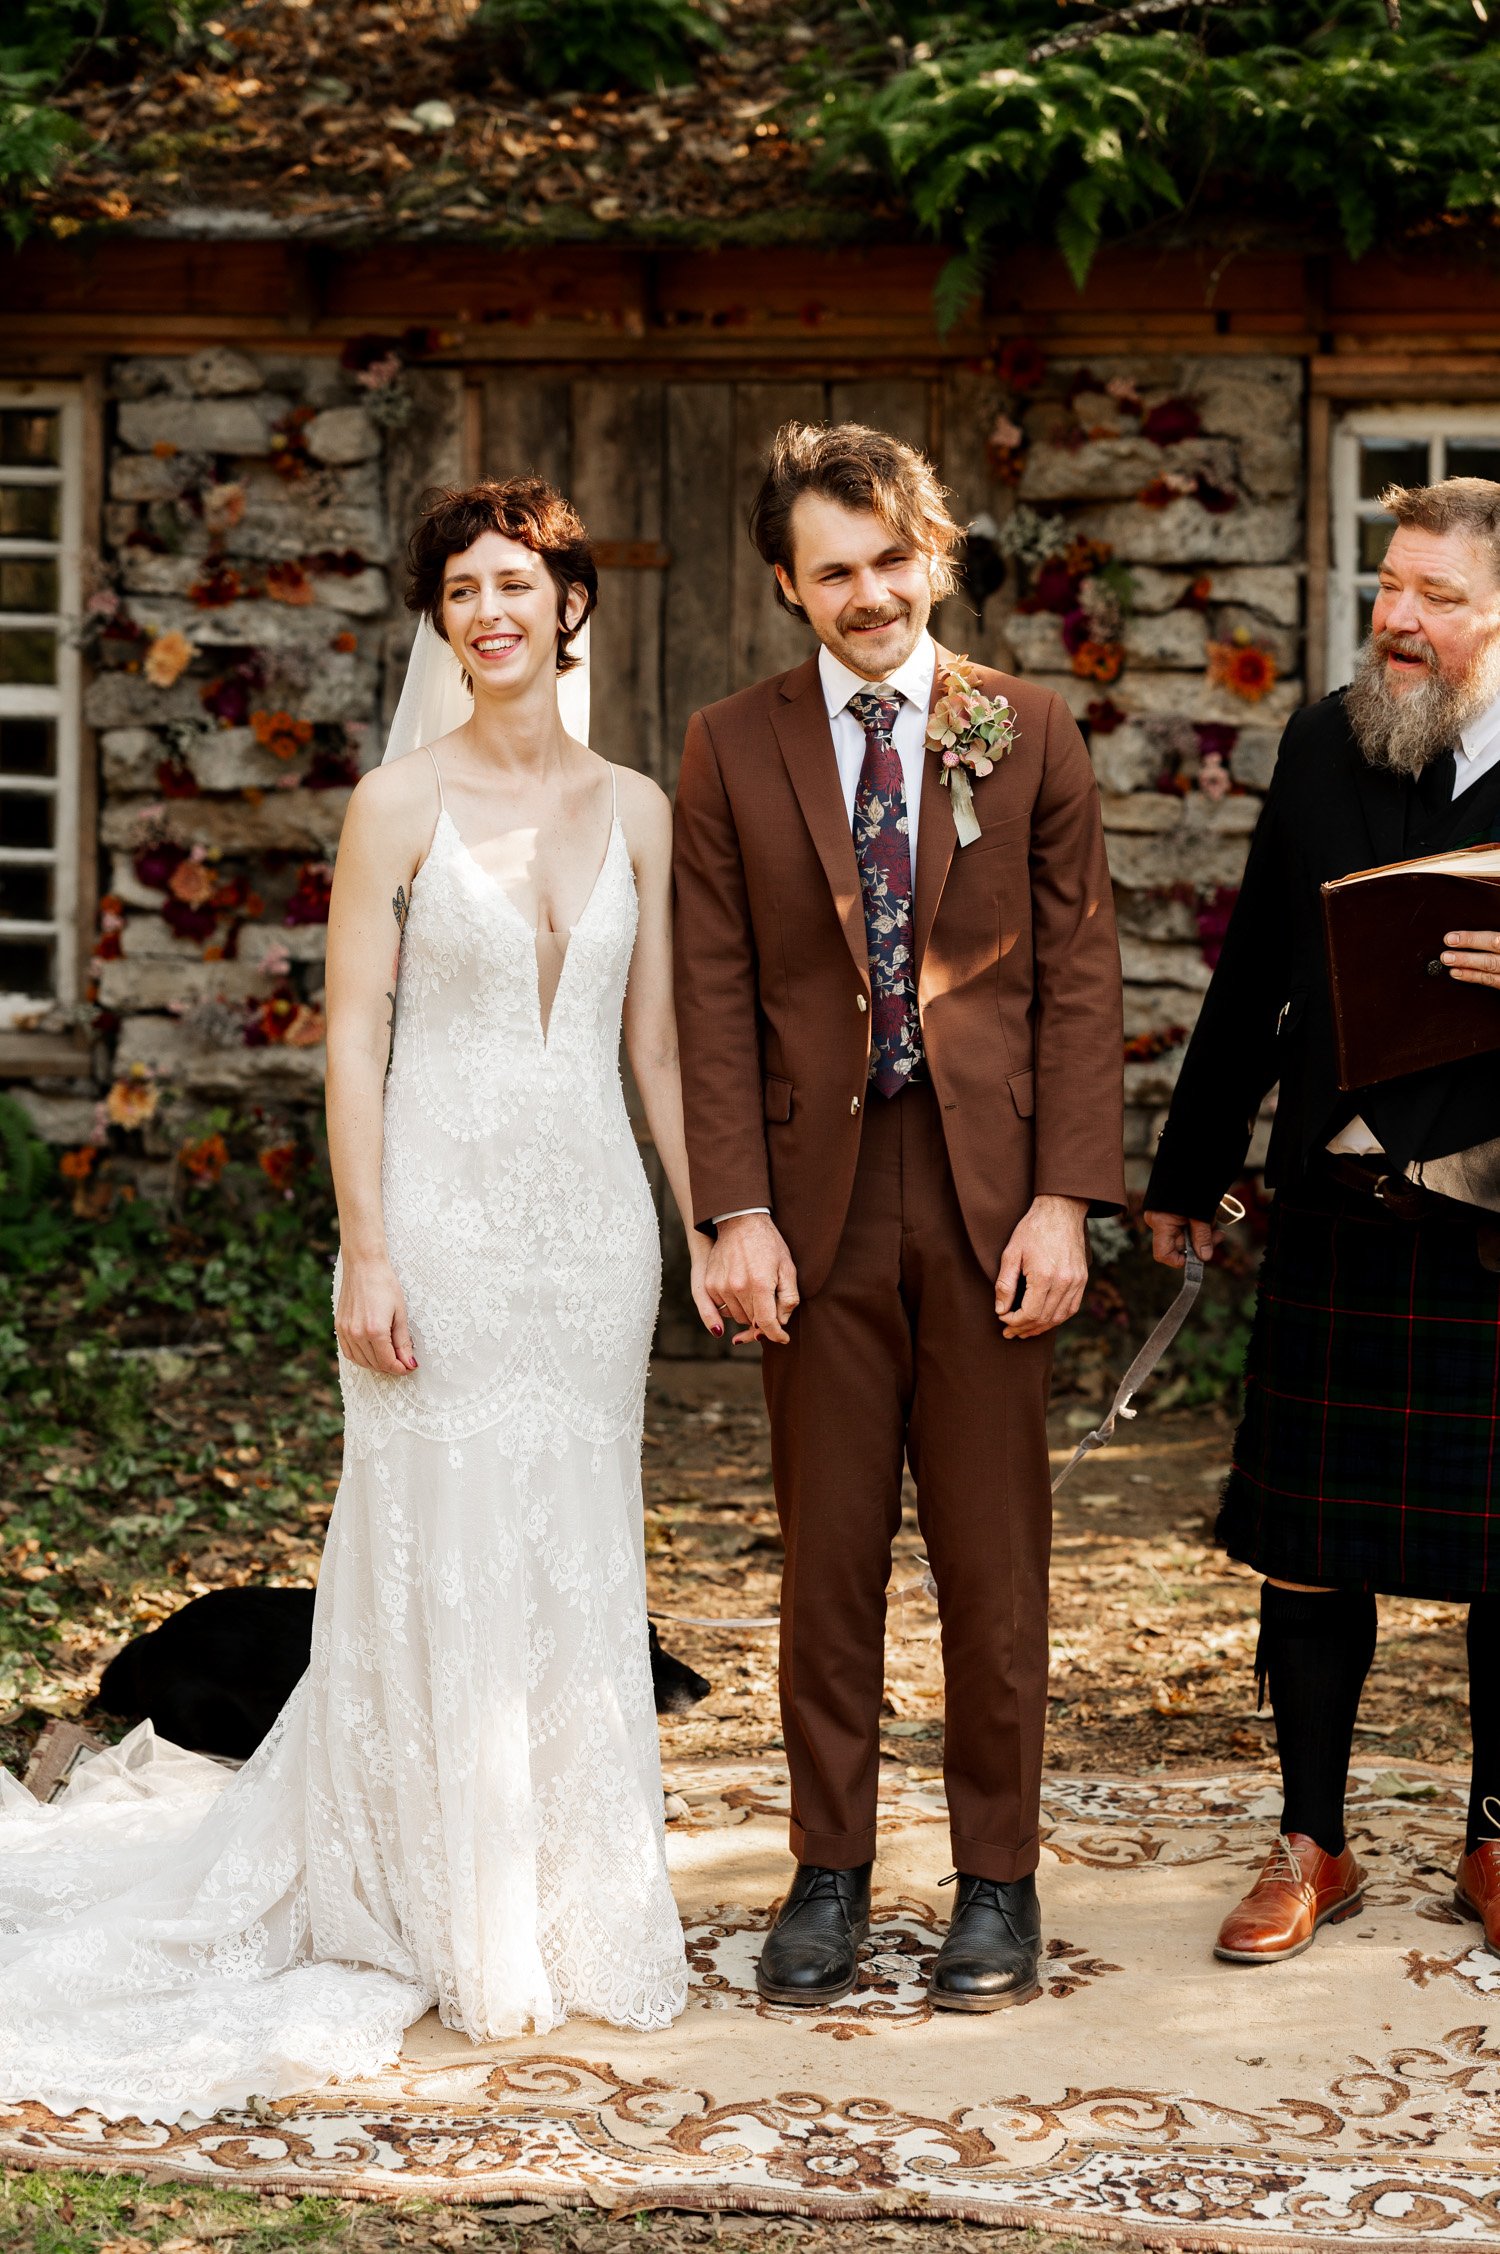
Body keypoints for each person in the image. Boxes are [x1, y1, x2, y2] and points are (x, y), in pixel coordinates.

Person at [0, 476, 705, 2123]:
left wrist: (718, 1220)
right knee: (432, 1547)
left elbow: (658, 1047)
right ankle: (429, 1899)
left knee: (575, 1548)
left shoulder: (643, 811)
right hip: (440, 1224)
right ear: (440, 619)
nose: (491, 610)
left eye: (518, 581)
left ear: (572, 602)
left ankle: (567, 1902)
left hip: (591, 1240)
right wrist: (367, 1246)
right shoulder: (396, 803)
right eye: (461, 586)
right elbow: (353, 1044)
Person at [672, 422, 1124, 2013]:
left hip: (993, 1195)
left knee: (997, 1562)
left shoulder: (1029, 729)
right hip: (814, 1206)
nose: (869, 594)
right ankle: (831, 1869)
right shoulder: (732, 745)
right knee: (830, 1555)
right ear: (790, 586)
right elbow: (711, 985)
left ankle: (997, 1880)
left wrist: (1066, 1198)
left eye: (890, 560)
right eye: (834, 570)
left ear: (932, 554)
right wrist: (732, 1210)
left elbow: (1080, 979)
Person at [1145, 475, 1500, 1967]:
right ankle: (1316, 1837)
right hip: (1342, 1201)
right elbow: (1250, 980)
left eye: (1438, 598)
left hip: (1494, 1220)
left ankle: (1498, 1831)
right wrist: (1184, 1172)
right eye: (1388, 587)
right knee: (1306, 1545)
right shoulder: (1322, 742)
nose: (1399, 620)